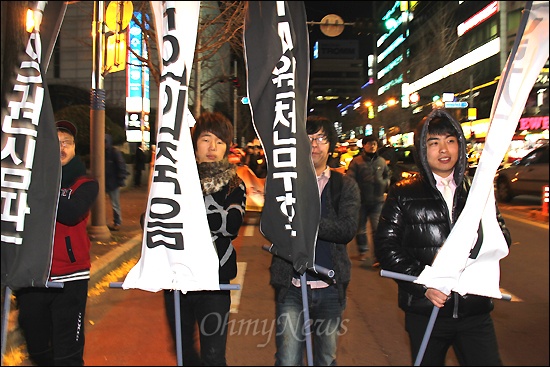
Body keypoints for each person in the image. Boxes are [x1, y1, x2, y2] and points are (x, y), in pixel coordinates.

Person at [374, 109, 512, 366]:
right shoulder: (404, 193)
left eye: (450, 140)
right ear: (421, 149)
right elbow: (386, 248)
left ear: (460, 144)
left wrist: (479, 248)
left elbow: (501, 234)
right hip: (427, 312)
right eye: (433, 142)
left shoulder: (478, 189)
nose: (444, 149)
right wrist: (424, 284)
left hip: (475, 310)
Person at [270, 115, 360, 366]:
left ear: (330, 145)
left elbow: (347, 229)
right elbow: (273, 227)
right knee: (287, 359)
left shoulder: (345, 185)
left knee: (325, 357)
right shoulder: (284, 185)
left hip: (330, 287)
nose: (315, 145)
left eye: (321, 138)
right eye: (308, 139)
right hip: (291, 286)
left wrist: (306, 224)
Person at [163, 111, 246, 366]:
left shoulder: (234, 184)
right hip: (177, 277)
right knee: (183, 352)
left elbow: (231, 224)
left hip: (215, 281)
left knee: (213, 355)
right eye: (206, 139)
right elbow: (155, 220)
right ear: (194, 142)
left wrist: (189, 211)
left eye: (220, 142)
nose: (212, 147)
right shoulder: (173, 181)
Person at [15, 120, 99, 366]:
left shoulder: (85, 183)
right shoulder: (26, 182)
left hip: (70, 280)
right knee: (38, 351)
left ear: (74, 149)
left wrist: (42, 182)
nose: (61, 148)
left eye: (67, 143)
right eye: (56, 143)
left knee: (68, 355)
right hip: (32, 277)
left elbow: (71, 213)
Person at [346, 135, 390, 265]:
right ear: (364, 146)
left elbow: (388, 174)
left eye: (374, 144)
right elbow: (350, 179)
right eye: (369, 144)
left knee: (377, 229)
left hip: (377, 200)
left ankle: (378, 256)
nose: (372, 146)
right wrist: (355, 192)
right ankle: (363, 250)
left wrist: (385, 183)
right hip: (361, 201)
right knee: (361, 228)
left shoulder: (381, 161)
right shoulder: (357, 161)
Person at [105, 134, 128, 231]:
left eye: (105, 142)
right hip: (106, 180)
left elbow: (121, 165)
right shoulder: (105, 152)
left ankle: (117, 222)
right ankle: (106, 222)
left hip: (112, 181)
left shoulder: (114, 152)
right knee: (102, 203)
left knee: (115, 203)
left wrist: (120, 179)